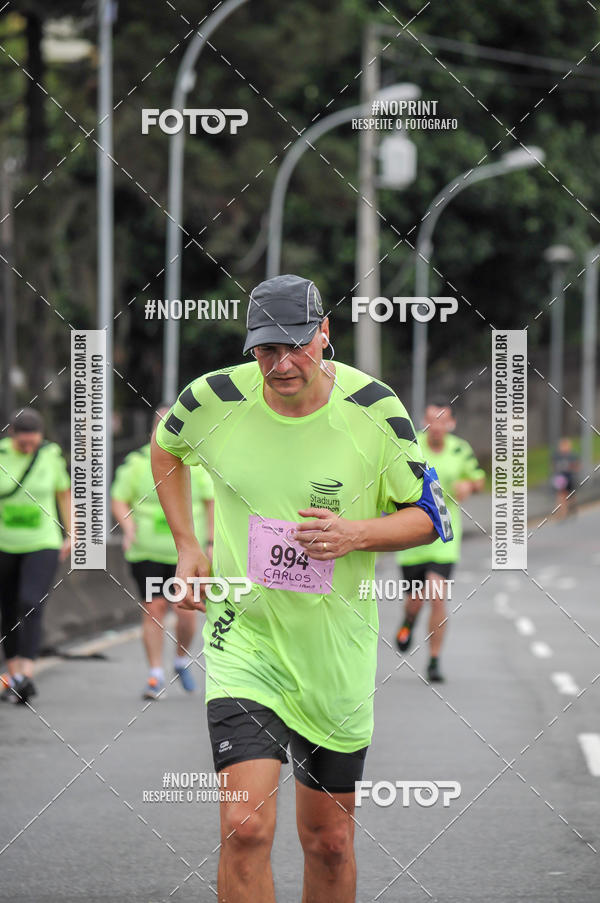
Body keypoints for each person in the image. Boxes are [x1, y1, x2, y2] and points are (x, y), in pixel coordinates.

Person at [151, 274, 453, 903]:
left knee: (330, 842)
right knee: (244, 827)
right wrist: (187, 543)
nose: (282, 364)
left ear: (324, 337)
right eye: (266, 349)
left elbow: (430, 517)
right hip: (245, 642)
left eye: (296, 346)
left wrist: (355, 534)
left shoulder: (373, 410)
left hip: (333, 656)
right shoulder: (213, 399)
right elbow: (166, 450)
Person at [111, 405, 214, 699]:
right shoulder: (136, 463)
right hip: (147, 551)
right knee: (153, 608)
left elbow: (210, 501)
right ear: (152, 430)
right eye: (161, 426)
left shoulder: (195, 462)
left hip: (187, 555)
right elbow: (118, 499)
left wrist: (210, 542)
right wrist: (128, 527)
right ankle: (155, 673)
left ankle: (181, 658)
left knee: (185, 612)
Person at [395, 400, 485, 682]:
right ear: (425, 421)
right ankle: (408, 621)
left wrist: (468, 485)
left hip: (444, 536)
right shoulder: (412, 445)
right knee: (415, 601)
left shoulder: (460, 449)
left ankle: (434, 660)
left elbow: (478, 479)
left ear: (451, 424)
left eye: (442, 421)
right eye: (431, 420)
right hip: (411, 535)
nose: (436, 427)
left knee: (437, 596)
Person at [0, 408, 71, 704]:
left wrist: (73, 533)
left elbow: (64, 494)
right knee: (8, 607)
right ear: (12, 435)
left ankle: (27, 674)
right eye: (23, 443)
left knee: (31, 602)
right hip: (5, 544)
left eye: (33, 442)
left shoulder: (51, 455)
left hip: (42, 541)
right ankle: (14, 673)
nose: (28, 448)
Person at [551, 436, 579, 519]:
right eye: (562, 446)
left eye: (566, 445)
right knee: (561, 494)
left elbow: (577, 466)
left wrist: (571, 468)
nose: (564, 448)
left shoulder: (572, 455)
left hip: (570, 477)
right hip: (561, 478)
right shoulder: (556, 456)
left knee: (570, 495)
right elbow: (553, 466)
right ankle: (562, 513)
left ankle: (572, 506)